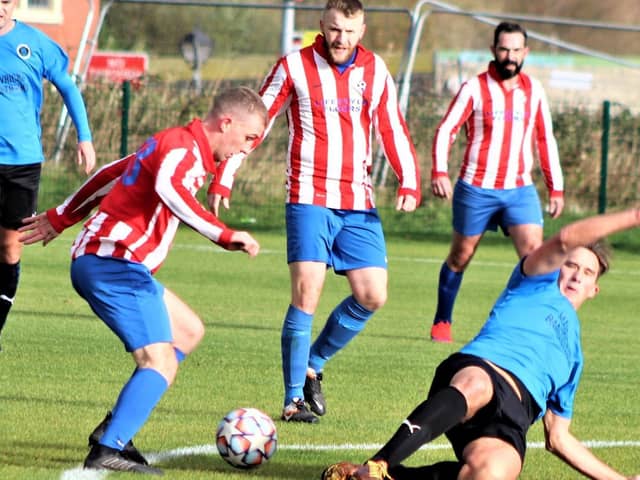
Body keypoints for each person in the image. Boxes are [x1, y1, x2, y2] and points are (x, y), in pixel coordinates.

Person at [19, 86, 267, 474]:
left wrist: (61, 215)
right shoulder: (182, 149)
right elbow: (171, 191)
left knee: (186, 331)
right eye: (249, 138)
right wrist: (223, 233)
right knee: (160, 360)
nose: (248, 148)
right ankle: (108, 448)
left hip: (117, 262)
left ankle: (114, 426)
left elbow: (112, 173)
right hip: (111, 261)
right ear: (227, 123)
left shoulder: (180, 145)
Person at [209, 0, 421, 423]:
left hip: (357, 201)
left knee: (373, 295)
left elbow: (391, 126)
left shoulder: (375, 70)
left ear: (362, 30)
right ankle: (292, 401)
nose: (341, 38)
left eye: (350, 30)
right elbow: (258, 122)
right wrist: (225, 173)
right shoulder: (293, 66)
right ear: (322, 26)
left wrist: (409, 179)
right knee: (307, 291)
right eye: (335, 29)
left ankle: (314, 362)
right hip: (308, 196)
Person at [321, 207, 640, 480]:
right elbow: (566, 239)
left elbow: (558, 438)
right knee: (477, 385)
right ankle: (378, 466)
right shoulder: (535, 280)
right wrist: (634, 215)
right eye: (571, 265)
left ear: (594, 289)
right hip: (482, 369)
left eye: (588, 272)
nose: (576, 276)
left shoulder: (575, 357)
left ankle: (385, 477)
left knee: (492, 472)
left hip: (514, 416)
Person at [429, 21, 563, 343]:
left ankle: (529, 324)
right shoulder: (474, 88)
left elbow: (545, 139)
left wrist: (555, 187)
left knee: (535, 254)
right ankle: (442, 321)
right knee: (461, 255)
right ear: (493, 50)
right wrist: (439, 171)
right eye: (504, 49)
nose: (510, 56)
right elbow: (446, 130)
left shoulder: (534, 91)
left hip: (519, 189)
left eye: (516, 50)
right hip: (476, 187)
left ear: (525, 53)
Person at [0, 0, 96, 349]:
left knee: (10, 249)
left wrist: (83, 137)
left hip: (22, 162)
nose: (0, 8)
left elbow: (68, 88)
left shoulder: (35, 44)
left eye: (6, 2)